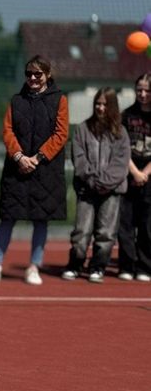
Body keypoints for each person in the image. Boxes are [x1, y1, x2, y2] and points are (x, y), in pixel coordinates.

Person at [0, 56, 69, 286]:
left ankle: (34, 266)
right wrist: (19, 156)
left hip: (46, 171)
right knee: (8, 217)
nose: (32, 78)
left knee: (41, 219)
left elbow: (61, 134)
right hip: (16, 168)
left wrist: (38, 157)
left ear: (47, 75)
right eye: (29, 74)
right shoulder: (16, 100)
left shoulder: (60, 100)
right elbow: (7, 130)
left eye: (37, 74)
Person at [62, 88, 130, 282]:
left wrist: (105, 183)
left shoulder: (120, 133)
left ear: (112, 107)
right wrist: (92, 180)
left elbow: (121, 163)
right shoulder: (83, 129)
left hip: (112, 191)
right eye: (98, 104)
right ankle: (75, 264)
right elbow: (79, 158)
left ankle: (98, 266)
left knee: (106, 232)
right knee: (82, 230)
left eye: (104, 104)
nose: (100, 108)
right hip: (87, 189)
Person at [118, 73, 151, 281]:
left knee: (147, 225)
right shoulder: (126, 115)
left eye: (147, 90)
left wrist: (145, 173)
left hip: (149, 177)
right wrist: (135, 172)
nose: (143, 93)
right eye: (139, 89)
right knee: (126, 223)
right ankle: (126, 266)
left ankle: (145, 267)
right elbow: (121, 148)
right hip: (128, 173)